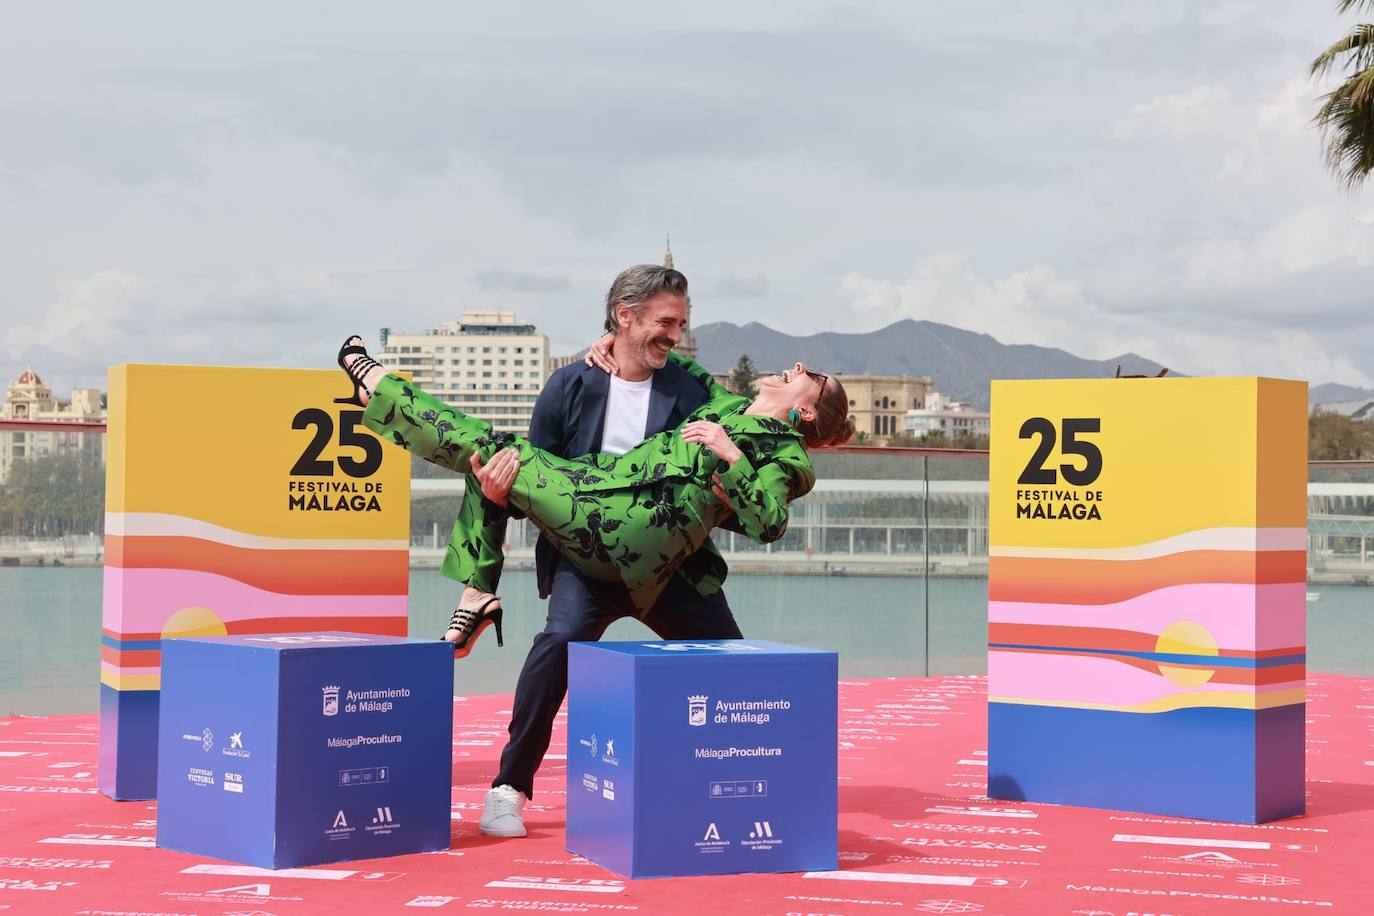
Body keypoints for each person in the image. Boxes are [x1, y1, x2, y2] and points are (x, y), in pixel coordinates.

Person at [338, 266, 855, 837]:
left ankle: (759, 789)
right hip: (587, 525)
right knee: (495, 472)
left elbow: (769, 520)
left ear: (806, 412)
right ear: (624, 317)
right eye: (666, 323)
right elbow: (540, 464)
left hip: (671, 566)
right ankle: (509, 787)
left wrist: (731, 462)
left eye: (681, 325)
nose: (676, 336)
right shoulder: (578, 384)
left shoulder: (730, 415)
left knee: (730, 666)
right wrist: (608, 343)